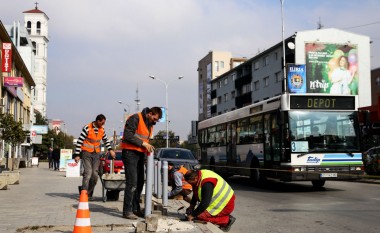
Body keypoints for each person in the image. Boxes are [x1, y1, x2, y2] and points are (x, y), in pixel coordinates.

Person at [120, 107, 162, 219]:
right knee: (132, 182)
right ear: (149, 113)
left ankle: (135, 208)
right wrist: (143, 144)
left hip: (139, 154)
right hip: (130, 153)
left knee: (139, 182)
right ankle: (127, 211)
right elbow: (128, 135)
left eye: (157, 120)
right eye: (155, 118)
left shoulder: (149, 124)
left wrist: (145, 156)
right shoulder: (135, 118)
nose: (155, 121)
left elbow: (146, 141)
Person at [74, 114, 115, 199]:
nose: (103, 125)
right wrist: (77, 155)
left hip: (96, 154)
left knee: (95, 175)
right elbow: (79, 141)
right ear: (98, 121)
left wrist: (110, 150)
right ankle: (84, 193)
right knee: (88, 173)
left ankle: (87, 192)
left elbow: (106, 140)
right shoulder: (87, 128)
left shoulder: (102, 129)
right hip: (86, 153)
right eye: (102, 123)